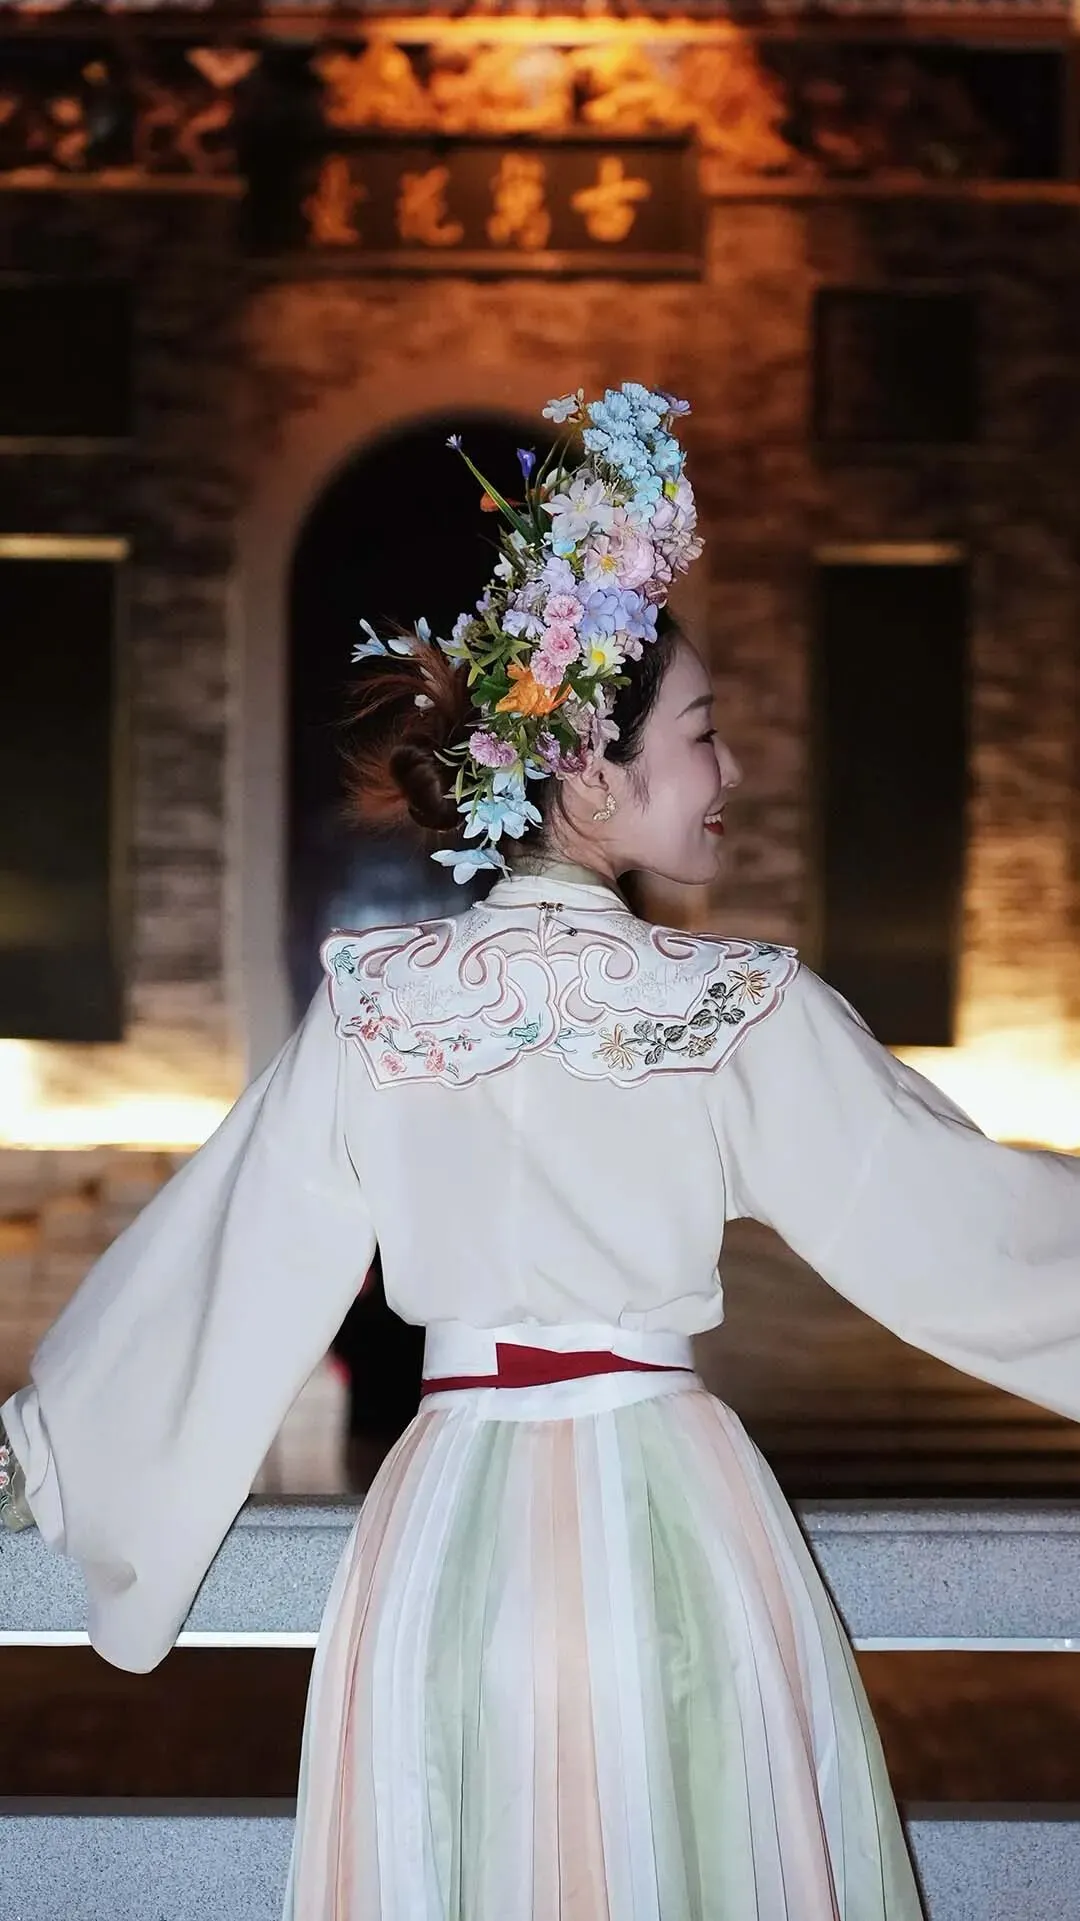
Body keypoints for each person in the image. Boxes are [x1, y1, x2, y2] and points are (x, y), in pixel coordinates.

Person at [4, 383, 1080, 1920]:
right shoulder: (733, 1006)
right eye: (702, 737)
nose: (730, 773)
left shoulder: (380, 1005)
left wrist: (50, 1455)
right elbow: (971, 1240)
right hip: (676, 1533)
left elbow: (227, 1265)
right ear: (584, 769)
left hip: (448, 1539)